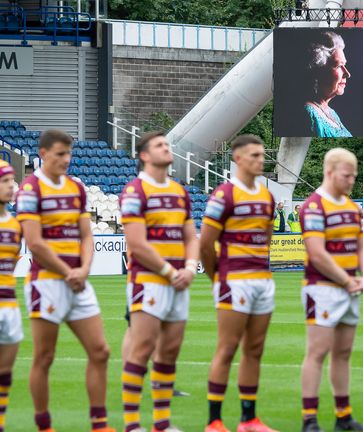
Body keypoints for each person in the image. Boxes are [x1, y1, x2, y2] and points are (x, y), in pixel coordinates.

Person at [17, 130, 114, 432]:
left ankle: (99, 424)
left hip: (78, 281)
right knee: (44, 357)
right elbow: (35, 243)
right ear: (44, 154)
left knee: (100, 351)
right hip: (46, 282)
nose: (66, 160)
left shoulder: (76, 188)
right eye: (60, 154)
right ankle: (44, 425)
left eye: (69, 154)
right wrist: (67, 271)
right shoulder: (31, 189)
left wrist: (84, 269)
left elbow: (86, 234)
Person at [120, 131, 199, 432]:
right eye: (159, 145)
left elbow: (190, 237)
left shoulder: (180, 191)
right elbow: (137, 244)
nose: (167, 148)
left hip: (180, 279)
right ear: (144, 155)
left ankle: (162, 424)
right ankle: (131, 425)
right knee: (142, 349)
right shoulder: (135, 190)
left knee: (169, 352)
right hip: (150, 280)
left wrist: (190, 268)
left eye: (168, 144)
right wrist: (170, 272)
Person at [201, 135, 278, 432]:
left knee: (255, 349)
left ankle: (248, 419)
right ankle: (214, 420)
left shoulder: (267, 197)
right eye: (255, 155)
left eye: (262, 154)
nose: (261, 159)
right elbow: (206, 245)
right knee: (227, 348)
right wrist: (217, 277)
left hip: (262, 279)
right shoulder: (225, 195)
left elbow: (267, 238)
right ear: (238, 159)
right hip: (235, 279)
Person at [298, 148, 363, 432]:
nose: (351, 180)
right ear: (330, 172)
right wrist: (347, 280)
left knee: (343, 353)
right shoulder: (314, 206)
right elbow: (316, 254)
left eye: (354, 175)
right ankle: (309, 419)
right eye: (347, 175)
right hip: (323, 289)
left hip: (349, 288)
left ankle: (343, 416)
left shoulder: (352, 207)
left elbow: (361, 244)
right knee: (317, 352)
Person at [0, 161, 22, 432]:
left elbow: (13, 261)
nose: (11, 187)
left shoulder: (16, 225)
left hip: (9, 304)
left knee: (5, 372)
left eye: (12, 181)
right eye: (4, 182)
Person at [304, 31, 352, 138]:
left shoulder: (331, 113)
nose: (347, 74)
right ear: (319, 70)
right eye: (339, 66)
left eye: (345, 65)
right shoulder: (308, 113)